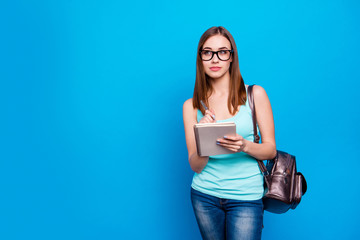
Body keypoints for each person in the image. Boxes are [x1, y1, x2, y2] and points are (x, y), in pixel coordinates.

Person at [182, 26, 277, 240]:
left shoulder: (255, 94)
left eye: (222, 52)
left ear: (231, 57)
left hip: (246, 196)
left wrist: (244, 145)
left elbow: (271, 150)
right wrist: (204, 136)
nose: (215, 59)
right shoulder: (191, 107)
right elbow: (195, 165)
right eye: (208, 52)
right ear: (200, 58)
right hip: (204, 195)